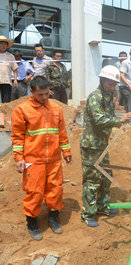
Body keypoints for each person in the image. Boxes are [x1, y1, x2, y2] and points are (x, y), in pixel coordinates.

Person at [11, 76, 72, 240]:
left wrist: (66, 151)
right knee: (34, 192)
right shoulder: (22, 110)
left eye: (47, 94)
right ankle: (32, 222)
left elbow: (62, 133)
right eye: (40, 95)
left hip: (54, 159)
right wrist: (19, 158)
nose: (44, 98)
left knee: (55, 190)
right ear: (32, 92)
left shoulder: (56, 109)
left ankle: (53, 218)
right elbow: (17, 137)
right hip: (34, 160)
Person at [80, 65, 131, 227]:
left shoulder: (108, 97)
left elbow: (109, 117)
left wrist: (120, 120)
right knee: (92, 180)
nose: (113, 87)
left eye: (114, 84)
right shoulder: (95, 97)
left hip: (102, 144)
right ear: (102, 81)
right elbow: (100, 120)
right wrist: (119, 120)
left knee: (105, 177)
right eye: (110, 84)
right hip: (91, 146)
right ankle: (88, 213)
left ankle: (102, 207)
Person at [0, 35, 18, 103]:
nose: (3, 45)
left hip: (6, 81)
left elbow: (15, 68)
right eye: (1, 44)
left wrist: (15, 80)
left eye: (5, 44)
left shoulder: (10, 56)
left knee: (6, 101)